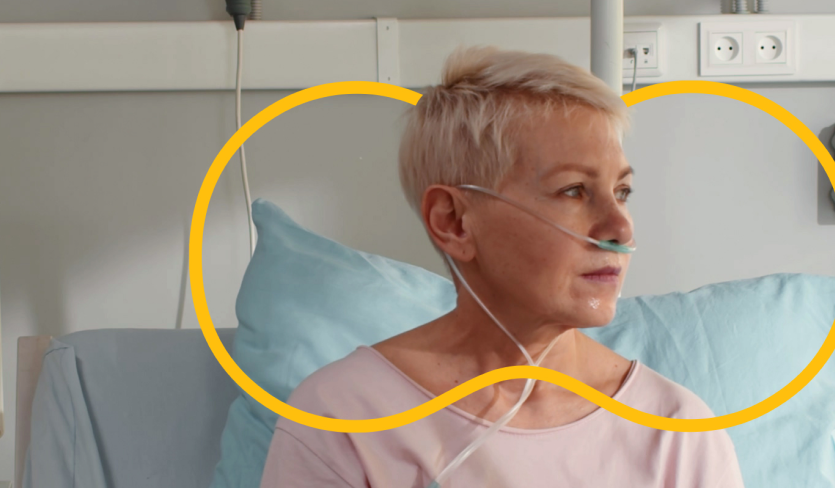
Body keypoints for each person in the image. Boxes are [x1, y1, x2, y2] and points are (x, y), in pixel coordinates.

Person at [259, 44, 745, 488]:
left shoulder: (677, 434)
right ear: (454, 222)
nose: (620, 228)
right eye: (573, 190)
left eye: (622, 192)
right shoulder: (344, 419)